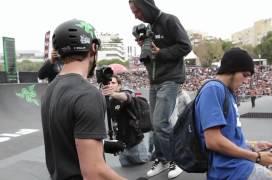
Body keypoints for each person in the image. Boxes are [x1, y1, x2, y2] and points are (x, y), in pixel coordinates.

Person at [41, 19, 125, 180]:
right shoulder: (88, 94)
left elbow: (63, 140)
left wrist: (102, 145)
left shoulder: (50, 89)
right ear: (93, 47)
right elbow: (94, 173)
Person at [195, 48, 272, 180]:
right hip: (232, 169)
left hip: (243, 163)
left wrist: (253, 145)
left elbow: (228, 137)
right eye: (245, 75)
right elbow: (213, 141)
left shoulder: (228, 92)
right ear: (231, 69)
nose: (246, 81)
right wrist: (257, 157)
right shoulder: (213, 89)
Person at [129, 0, 192, 179]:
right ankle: (163, 159)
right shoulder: (149, 28)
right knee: (155, 125)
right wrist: (145, 48)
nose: (135, 15)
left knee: (160, 123)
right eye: (133, 12)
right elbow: (152, 59)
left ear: (147, 6)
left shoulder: (170, 21)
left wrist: (161, 52)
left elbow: (186, 46)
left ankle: (177, 160)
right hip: (155, 82)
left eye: (137, 10)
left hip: (170, 80)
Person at [100, 74, 150, 167]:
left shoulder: (126, 93)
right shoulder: (110, 102)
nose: (110, 85)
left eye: (113, 83)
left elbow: (127, 97)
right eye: (108, 83)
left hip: (135, 145)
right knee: (126, 173)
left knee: (142, 170)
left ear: (119, 86)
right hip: (122, 146)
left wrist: (113, 94)